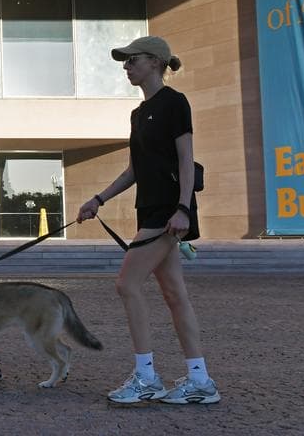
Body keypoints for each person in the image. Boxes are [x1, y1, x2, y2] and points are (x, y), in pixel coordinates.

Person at [76, 35, 220, 405]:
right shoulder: (138, 114)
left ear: (155, 62)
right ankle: (200, 381)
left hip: (169, 213)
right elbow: (133, 170)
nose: (126, 67)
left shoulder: (175, 103)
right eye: (124, 62)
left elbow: (186, 159)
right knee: (174, 295)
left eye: (132, 60)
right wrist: (98, 199)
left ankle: (146, 378)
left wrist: (184, 209)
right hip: (151, 209)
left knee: (126, 284)